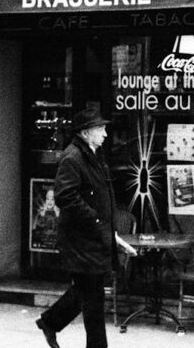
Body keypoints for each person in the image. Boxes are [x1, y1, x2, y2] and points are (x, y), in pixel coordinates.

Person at [35, 106, 137, 348]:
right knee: (93, 300)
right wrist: (96, 221)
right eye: (100, 129)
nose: (104, 134)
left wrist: (110, 232)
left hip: (93, 238)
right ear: (85, 132)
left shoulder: (91, 155)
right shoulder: (73, 158)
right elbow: (65, 196)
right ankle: (53, 324)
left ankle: (49, 322)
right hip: (82, 241)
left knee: (87, 294)